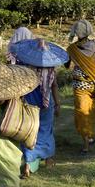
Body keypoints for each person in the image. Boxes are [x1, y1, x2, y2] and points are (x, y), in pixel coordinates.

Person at [8, 37, 66, 176]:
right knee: (45, 130)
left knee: (30, 130)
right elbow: (54, 86)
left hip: (29, 100)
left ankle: (27, 164)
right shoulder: (50, 68)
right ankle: (48, 159)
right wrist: (58, 103)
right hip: (46, 101)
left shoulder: (26, 66)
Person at [66, 19, 95, 154]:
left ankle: (87, 143)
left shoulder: (72, 49)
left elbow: (67, 66)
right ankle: (89, 137)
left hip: (82, 85)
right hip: (94, 84)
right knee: (88, 112)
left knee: (84, 112)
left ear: (76, 33)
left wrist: (69, 53)